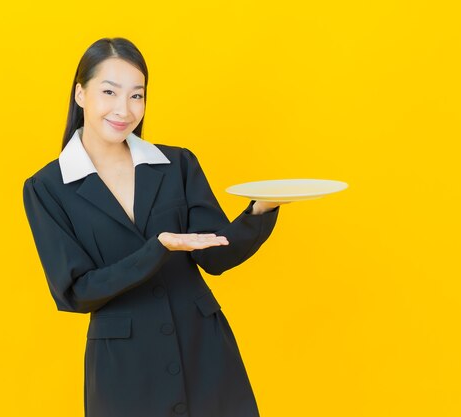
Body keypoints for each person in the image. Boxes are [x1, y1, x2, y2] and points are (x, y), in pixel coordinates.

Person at [22, 37, 289, 417]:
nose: (124, 109)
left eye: (136, 95)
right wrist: (156, 248)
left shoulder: (176, 164)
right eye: (109, 92)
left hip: (204, 350)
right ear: (80, 94)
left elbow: (215, 254)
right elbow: (76, 292)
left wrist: (261, 210)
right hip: (126, 371)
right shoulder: (48, 187)